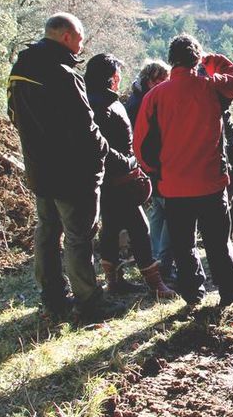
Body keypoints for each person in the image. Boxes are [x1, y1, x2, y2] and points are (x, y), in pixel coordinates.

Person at [7, 12, 112, 320]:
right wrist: (102, 152)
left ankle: (52, 297)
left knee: (47, 232)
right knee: (79, 236)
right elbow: (85, 127)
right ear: (66, 36)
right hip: (73, 173)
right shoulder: (63, 73)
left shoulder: (20, 68)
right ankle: (89, 302)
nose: (82, 43)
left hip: (40, 169)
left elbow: (13, 114)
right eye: (79, 37)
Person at [134, 34, 233, 307]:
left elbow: (140, 145)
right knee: (219, 244)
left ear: (171, 60)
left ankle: (193, 296)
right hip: (211, 183)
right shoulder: (213, 88)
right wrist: (210, 61)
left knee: (184, 246)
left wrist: (157, 173)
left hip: (174, 186)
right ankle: (230, 296)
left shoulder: (155, 96)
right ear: (196, 58)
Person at [85, 54, 176, 298]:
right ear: (111, 78)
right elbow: (100, 146)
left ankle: (114, 282)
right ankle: (155, 283)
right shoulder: (98, 105)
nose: (120, 78)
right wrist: (130, 163)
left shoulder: (105, 100)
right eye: (117, 74)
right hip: (116, 179)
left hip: (117, 177)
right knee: (140, 227)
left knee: (112, 227)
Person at [123, 60, 174, 282]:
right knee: (170, 212)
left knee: (159, 211)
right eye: (161, 80)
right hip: (155, 163)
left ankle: (155, 256)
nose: (164, 85)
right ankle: (163, 262)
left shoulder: (138, 97)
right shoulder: (143, 102)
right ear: (151, 79)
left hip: (148, 163)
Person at [125, 60, 169, 126]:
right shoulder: (138, 103)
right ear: (147, 80)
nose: (161, 87)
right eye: (158, 83)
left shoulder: (141, 96)